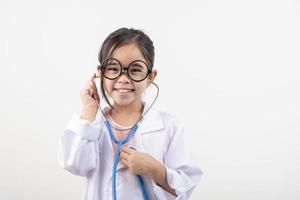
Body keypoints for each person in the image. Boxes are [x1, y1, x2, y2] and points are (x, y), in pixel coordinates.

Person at [58, 27, 203, 200]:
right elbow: (74, 164)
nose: (124, 78)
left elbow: (185, 186)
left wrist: (154, 169)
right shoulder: (90, 123)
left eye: (135, 70)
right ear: (100, 73)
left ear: (150, 77)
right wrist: (89, 109)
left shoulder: (169, 127)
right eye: (113, 68)